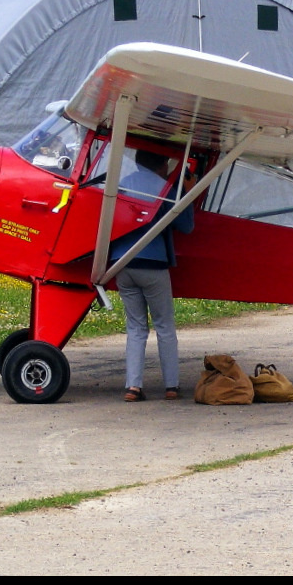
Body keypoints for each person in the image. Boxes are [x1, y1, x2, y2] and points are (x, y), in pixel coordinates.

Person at [111, 149, 196, 402]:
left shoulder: (122, 186)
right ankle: (171, 386)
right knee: (164, 326)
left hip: (121, 263)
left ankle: (133, 387)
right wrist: (188, 192)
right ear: (161, 165)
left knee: (136, 328)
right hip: (153, 264)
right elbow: (187, 226)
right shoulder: (164, 188)